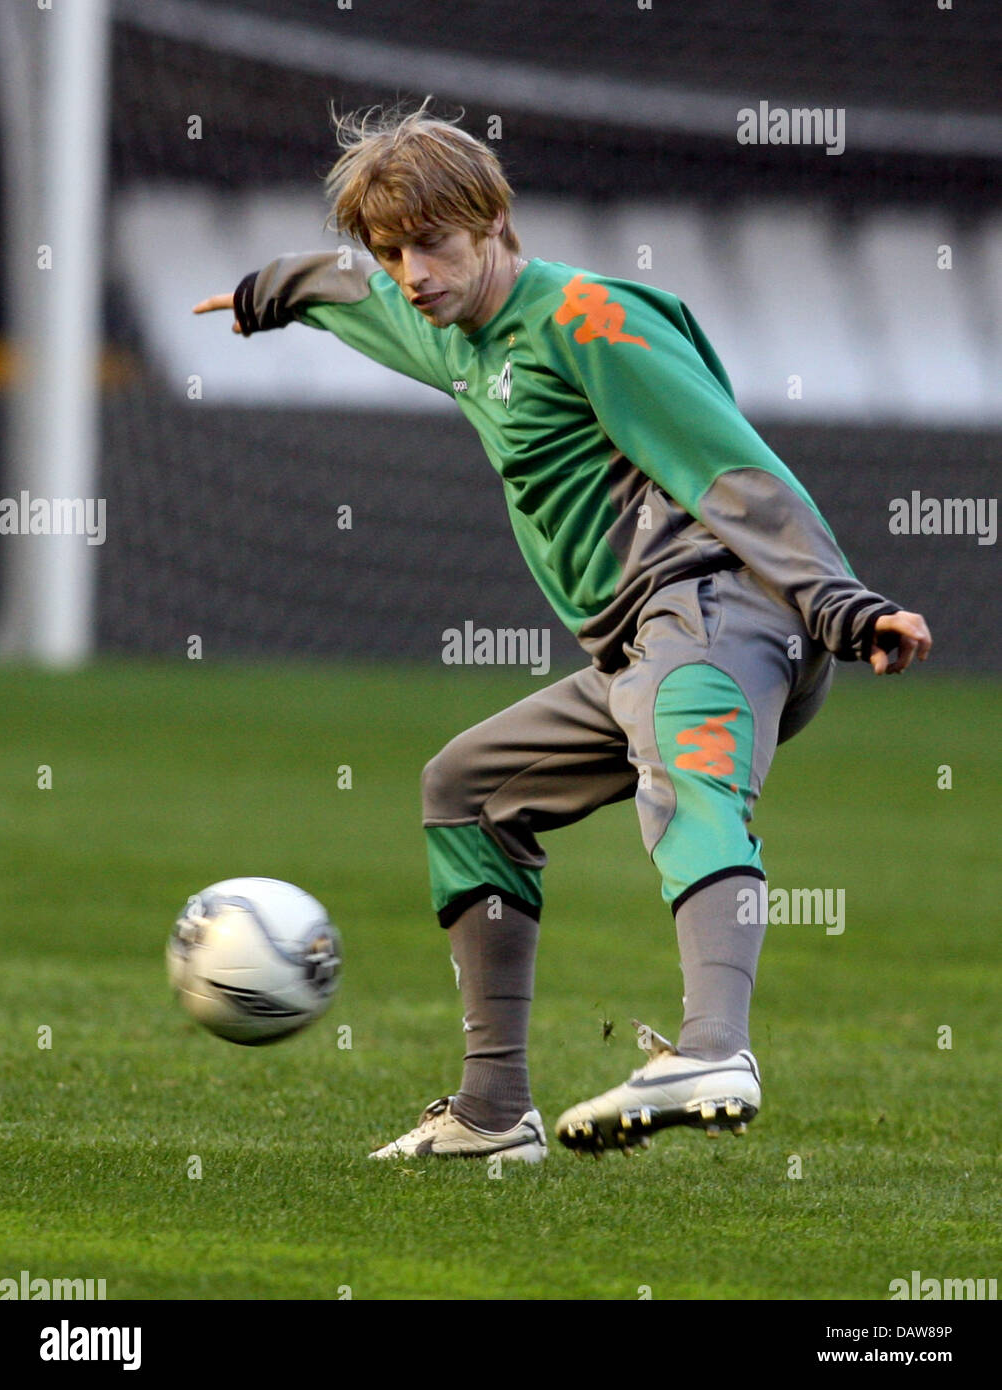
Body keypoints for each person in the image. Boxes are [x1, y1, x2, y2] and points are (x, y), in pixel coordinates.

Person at [194, 102, 931, 1162]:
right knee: (468, 789)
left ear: (496, 220)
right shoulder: (444, 318)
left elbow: (728, 465)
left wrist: (839, 601)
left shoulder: (589, 321)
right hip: (632, 645)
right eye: (394, 249)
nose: (412, 272)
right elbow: (355, 292)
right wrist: (276, 293)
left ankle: (716, 1048)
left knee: (689, 781)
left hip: (723, 603)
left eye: (433, 244)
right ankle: (494, 1115)